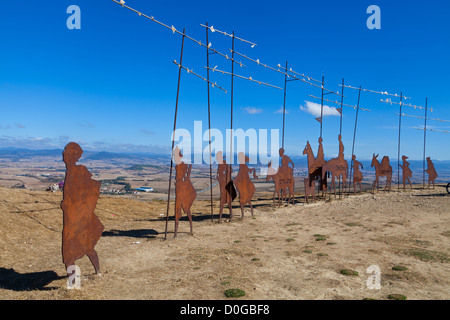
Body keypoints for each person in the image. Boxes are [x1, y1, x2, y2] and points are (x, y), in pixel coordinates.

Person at [61, 142, 104, 280]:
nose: (63, 154)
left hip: (78, 219)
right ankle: (90, 274)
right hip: (72, 219)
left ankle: (76, 282)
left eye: (66, 152)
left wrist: (71, 205)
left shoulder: (79, 171)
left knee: (77, 250)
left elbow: (92, 189)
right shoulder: (71, 172)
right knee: (78, 249)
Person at [174, 147, 196, 237]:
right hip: (178, 187)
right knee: (177, 208)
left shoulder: (183, 164)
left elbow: (187, 175)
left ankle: (191, 227)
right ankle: (175, 231)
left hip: (182, 187)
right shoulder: (177, 164)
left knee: (186, 209)